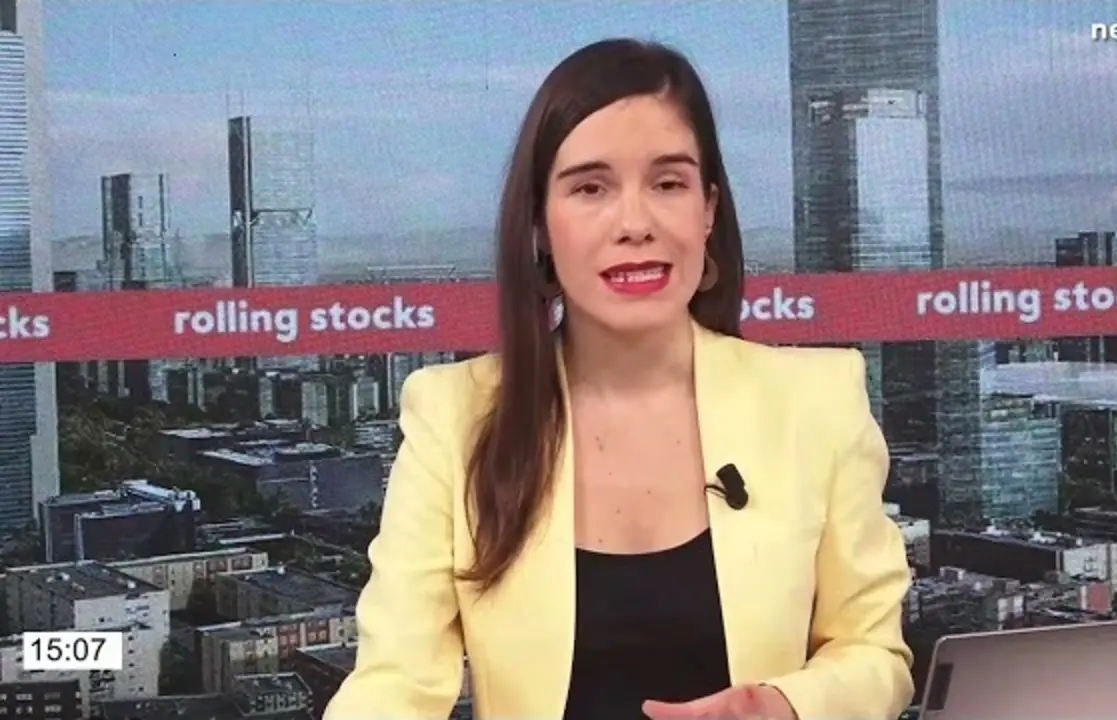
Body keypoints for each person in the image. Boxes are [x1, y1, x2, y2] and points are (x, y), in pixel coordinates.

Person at [324, 37, 914, 720]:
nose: (635, 223)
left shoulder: (817, 401)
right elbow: (392, 687)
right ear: (539, 225)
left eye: (668, 184)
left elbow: (874, 654)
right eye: (591, 188)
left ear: (708, 209)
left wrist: (785, 704)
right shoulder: (454, 418)